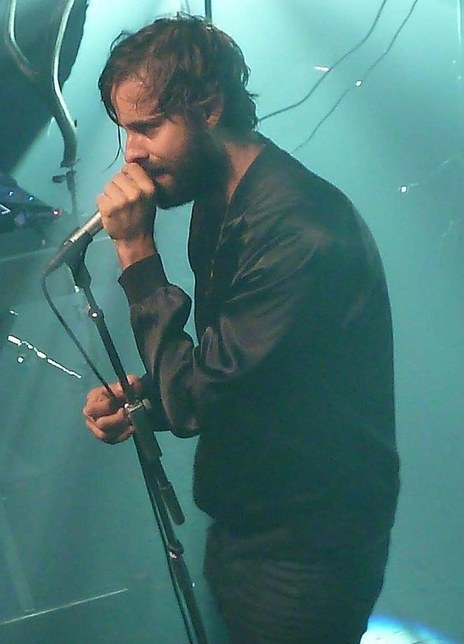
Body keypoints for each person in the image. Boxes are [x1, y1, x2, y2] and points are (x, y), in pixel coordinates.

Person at [83, 14, 400, 644]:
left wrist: (136, 255)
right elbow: (240, 371)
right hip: (249, 527)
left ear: (208, 108)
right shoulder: (222, 201)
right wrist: (148, 399)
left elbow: (200, 400)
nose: (131, 153)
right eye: (125, 130)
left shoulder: (297, 229)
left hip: (306, 551)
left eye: (147, 127)